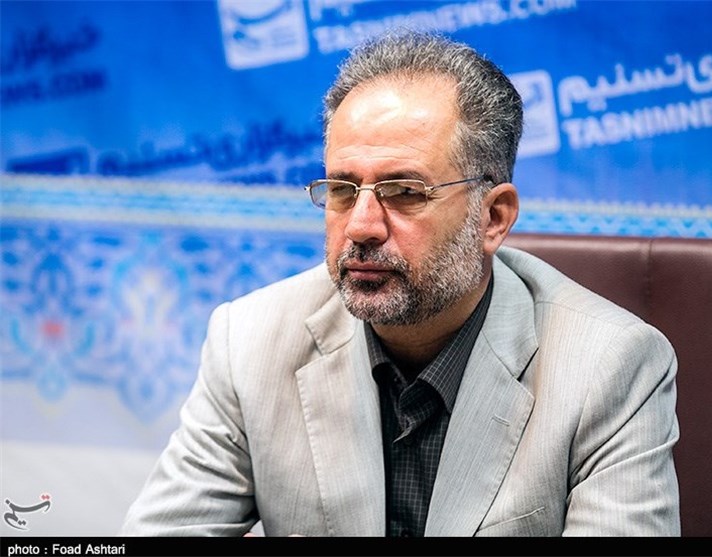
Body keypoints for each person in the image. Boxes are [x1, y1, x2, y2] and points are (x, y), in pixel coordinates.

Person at [120, 30, 680, 537]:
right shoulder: (249, 341)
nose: (360, 226)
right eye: (343, 190)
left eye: (405, 192)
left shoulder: (609, 365)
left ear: (493, 218)